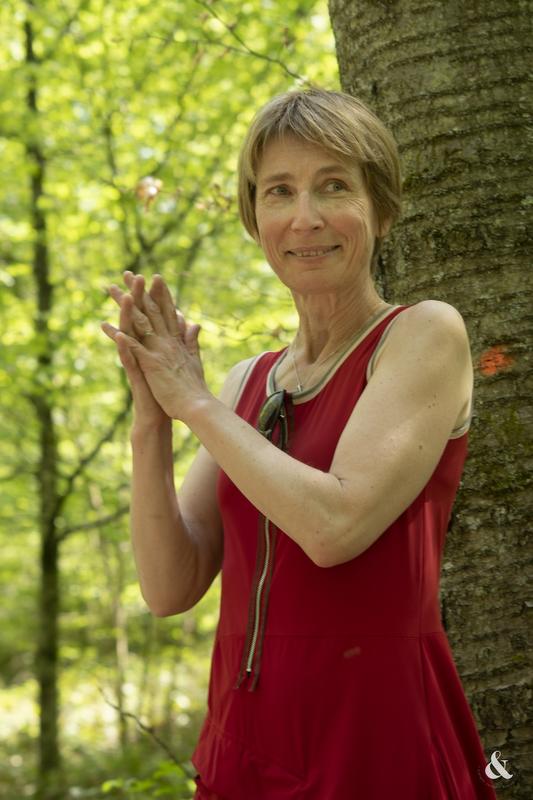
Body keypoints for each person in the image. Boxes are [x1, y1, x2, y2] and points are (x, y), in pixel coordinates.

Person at [101, 88, 497, 799]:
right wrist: (153, 420)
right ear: (255, 219)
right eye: (278, 191)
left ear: (379, 207)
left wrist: (190, 401)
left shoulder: (422, 335)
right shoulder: (242, 383)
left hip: (374, 741)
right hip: (242, 745)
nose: (304, 217)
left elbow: (333, 525)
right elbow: (168, 587)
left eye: (333, 186)